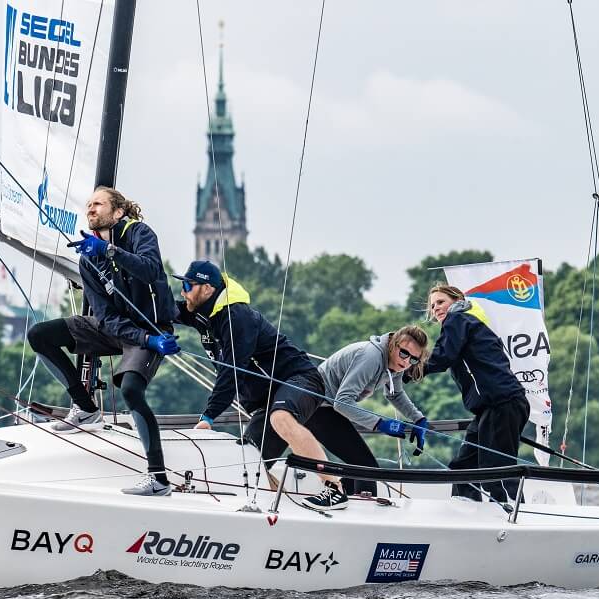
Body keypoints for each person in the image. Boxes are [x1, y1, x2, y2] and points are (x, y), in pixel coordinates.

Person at [26, 187, 180, 497]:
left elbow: (150, 270)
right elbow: (106, 318)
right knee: (39, 335)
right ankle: (86, 408)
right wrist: (142, 338)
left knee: (131, 390)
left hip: (152, 328)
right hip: (122, 329)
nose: (90, 209)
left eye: (98, 204)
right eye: (88, 205)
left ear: (118, 212)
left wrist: (109, 251)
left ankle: (158, 479)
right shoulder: (88, 259)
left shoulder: (138, 233)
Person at [172, 260, 345, 508]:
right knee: (249, 466)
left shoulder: (237, 317)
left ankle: (334, 488)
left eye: (188, 285)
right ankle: (288, 508)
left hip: (300, 379)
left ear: (208, 289)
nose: (183, 290)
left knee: (281, 418)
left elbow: (231, 373)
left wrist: (208, 417)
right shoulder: (202, 313)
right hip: (267, 403)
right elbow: (165, 309)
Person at [424, 284, 530, 502]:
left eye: (441, 302)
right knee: (464, 466)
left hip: (501, 403)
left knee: (496, 469)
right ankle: (465, 510)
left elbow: (442, 357)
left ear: (457, 300)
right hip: (492, 407)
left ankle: (515, 515)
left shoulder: (458, 320)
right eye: (432, 306)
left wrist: (404, 370)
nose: (436, 308)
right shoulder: (472, 324)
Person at [308, 326, 430, 500]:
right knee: (366, 466)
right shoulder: (371, 357)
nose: (406, 362)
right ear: (393, 345)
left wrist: (419, 419)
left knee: (358, 465)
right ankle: (364, 515)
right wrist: (380, 424)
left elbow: (394, 393)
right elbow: (342, 402)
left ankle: (342, 500)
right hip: (316, 405)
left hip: (327, 405)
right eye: (404, 353)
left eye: (413, 359)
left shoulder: (394, 364)